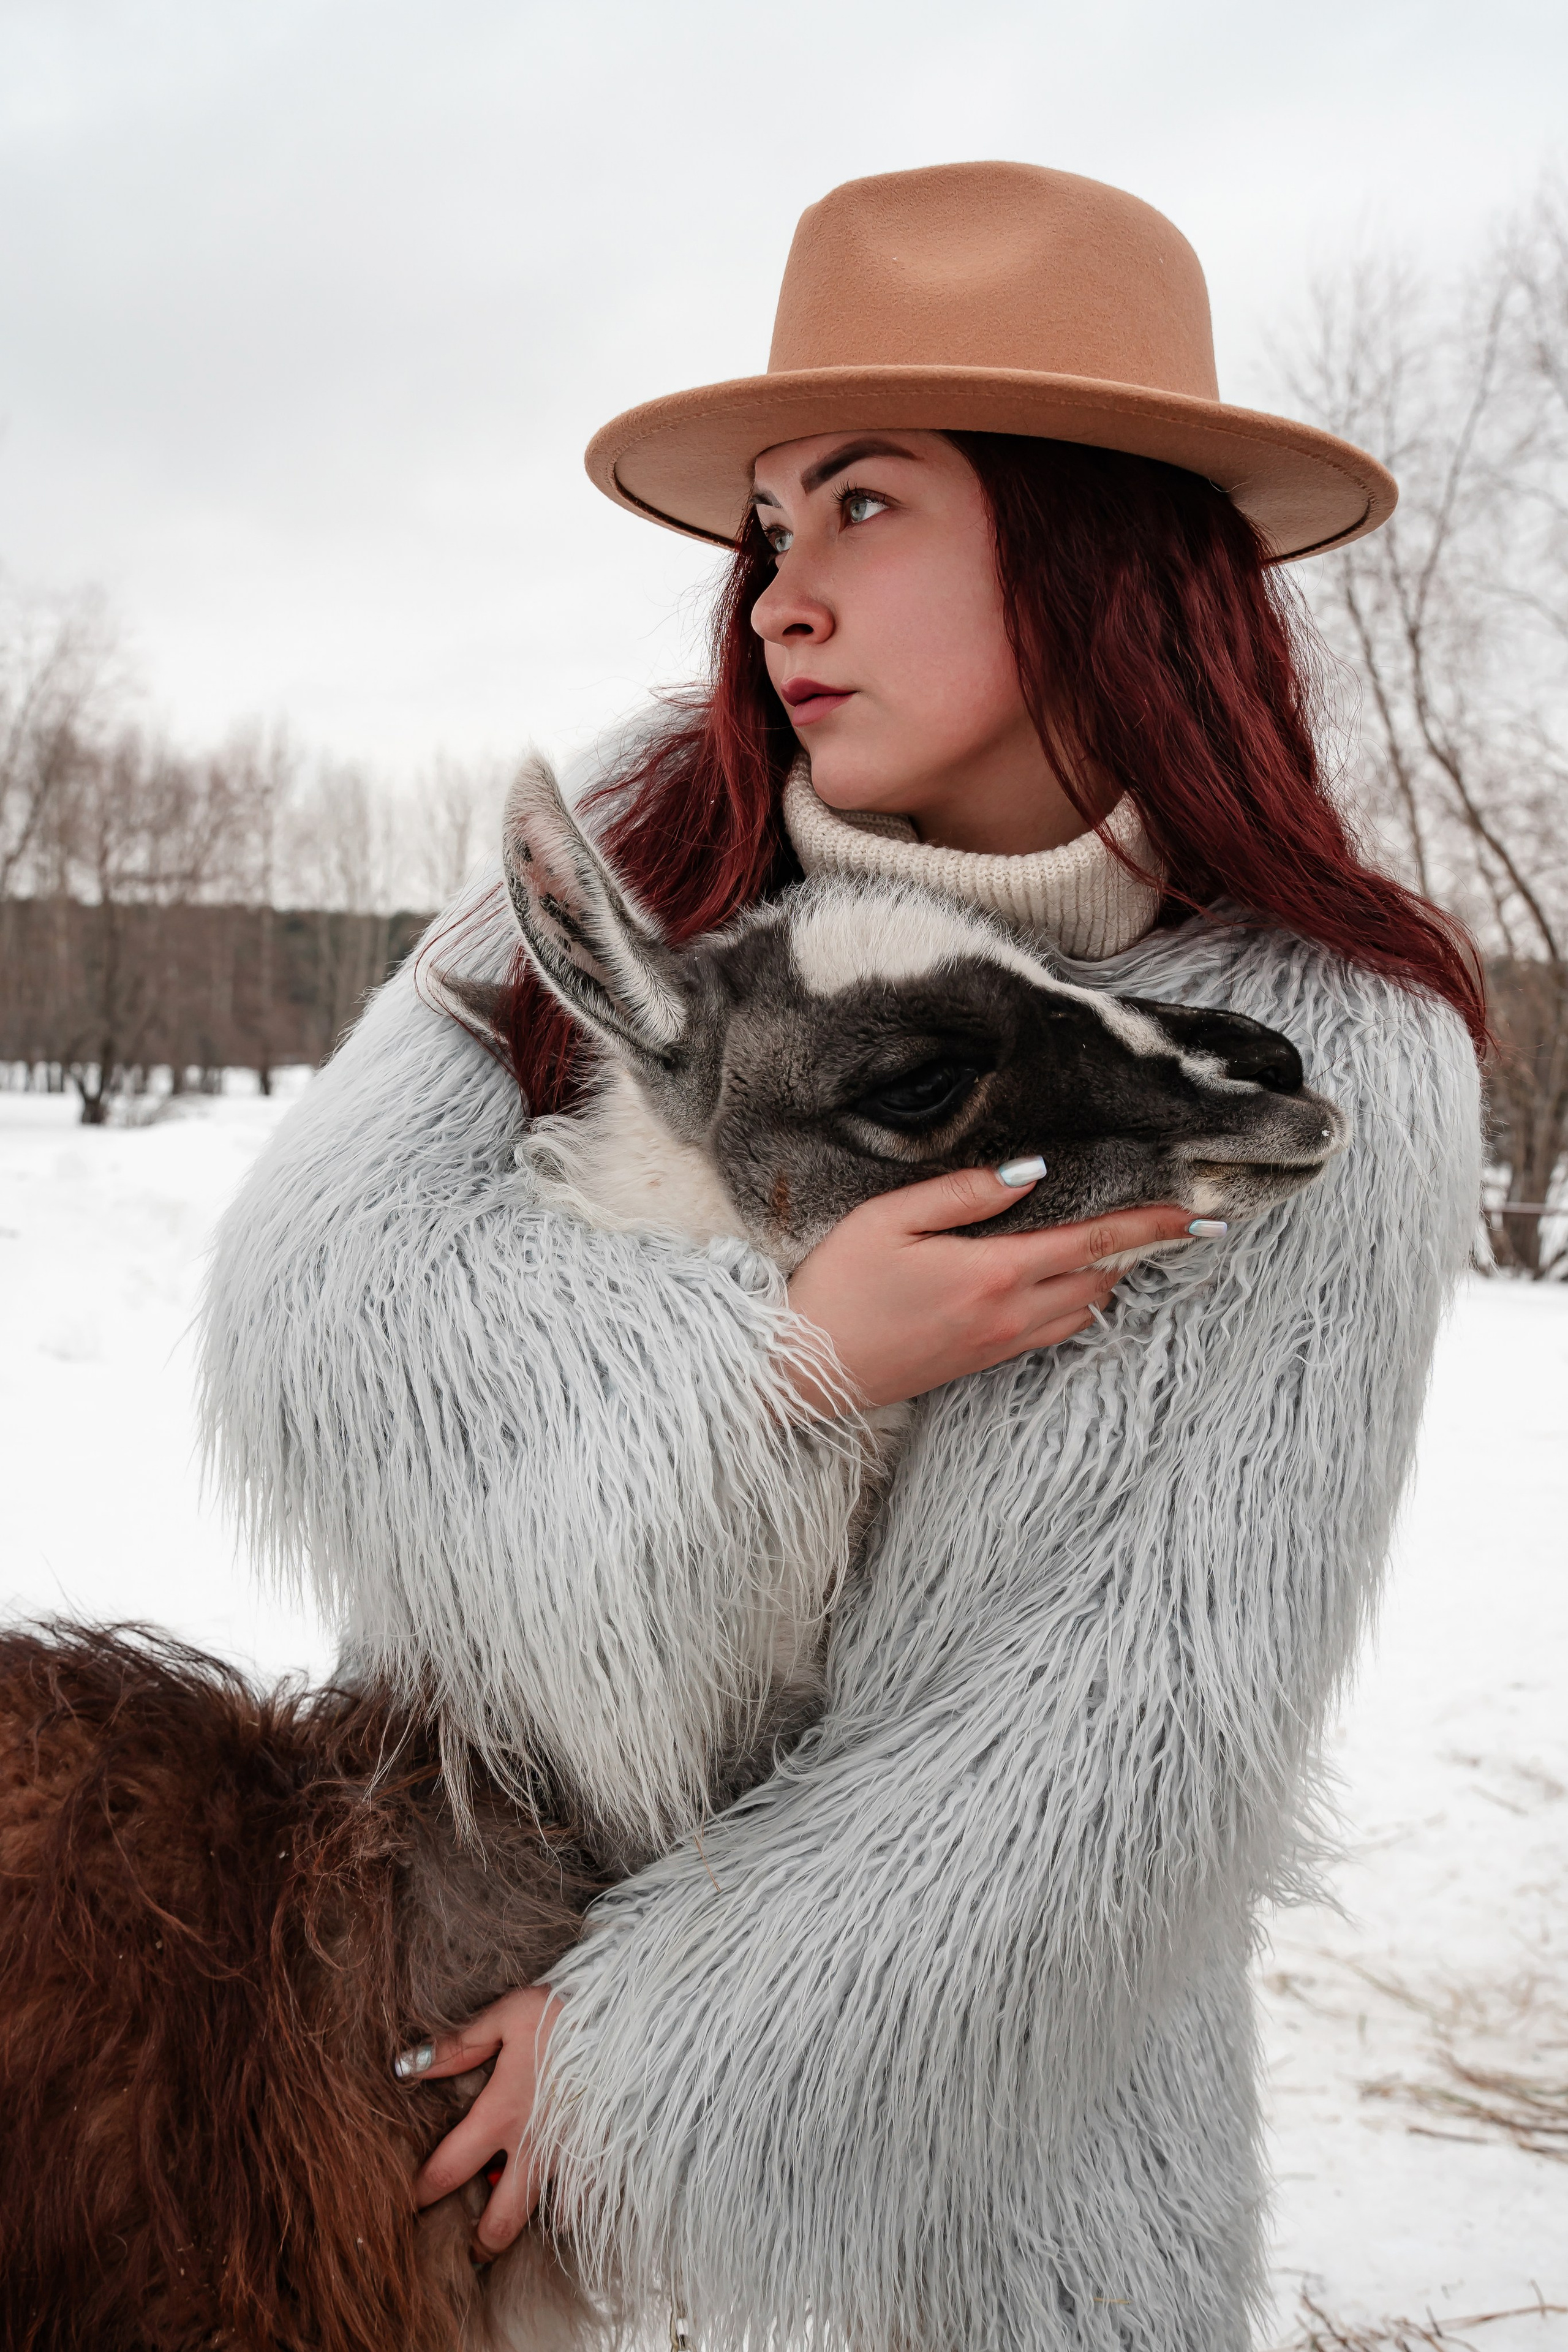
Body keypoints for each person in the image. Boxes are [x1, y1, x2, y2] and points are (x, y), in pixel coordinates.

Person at [201, 164, 1484, 2350]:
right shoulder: (650, 831)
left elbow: (1140, 1728)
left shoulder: (1331, 1048)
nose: (779, 600)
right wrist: (787, 1363)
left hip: (996, 2192)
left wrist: (650, 2067)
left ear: (1093, 539)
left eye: (865, 506)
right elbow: (319, 1314)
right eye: (770, 524)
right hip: (440, 2091)